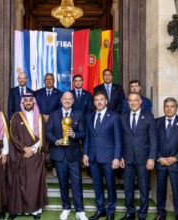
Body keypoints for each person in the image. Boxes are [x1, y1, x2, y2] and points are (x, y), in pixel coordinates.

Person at [46, 91, 88, 220]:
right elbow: (48, 132)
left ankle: (80, 210)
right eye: (65, 98)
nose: (67, 101)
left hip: (73, 155)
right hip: (59, 155)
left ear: (73, 101)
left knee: (77, 182)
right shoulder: (54, 114)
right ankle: (66, 208)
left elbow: (83, 133)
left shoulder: (79, 114)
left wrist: (74, 134)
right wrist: (56, 141)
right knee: (63, 183)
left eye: (70, 99)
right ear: (61, 100)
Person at [7, 93, 48, 220]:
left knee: (34, 184)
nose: (28, 103)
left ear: (34, 102)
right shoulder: (16, 117)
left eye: (30, 100)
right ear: (22, 103)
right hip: (20, 156)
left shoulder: (40, 118)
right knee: (18, 184)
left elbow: (43, 137)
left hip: (35, 157)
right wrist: (24, 148)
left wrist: (33, 149)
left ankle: (35, 211)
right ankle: (17, 210)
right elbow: (13, 135)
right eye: (26, 101)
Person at [83, 91, 122, 220]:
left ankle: (110, 212)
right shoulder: (90, 116)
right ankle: (100, 210)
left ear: (106, 101)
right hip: (93, 157)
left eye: (101, 99)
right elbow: (88, 137)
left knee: (110, 185)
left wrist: (116, 157)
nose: (99, 102)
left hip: (108, 158)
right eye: (96, 100)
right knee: (97, 185)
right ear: (94, 102)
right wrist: (85, 154)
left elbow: (118, 139)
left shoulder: (114, 117)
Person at [119, 92, 157, 220]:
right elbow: (120, 139)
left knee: (143, 188)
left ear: (140, 102)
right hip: (127, 158)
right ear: (127, 103)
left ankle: (142, 214)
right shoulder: (122, 117)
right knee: (128, 188)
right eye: (130, 100)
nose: (133, 103)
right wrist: (121, 156)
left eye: (135, 100)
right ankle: (130, 212)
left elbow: (153, 139)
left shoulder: (148, 116)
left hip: (143, 158)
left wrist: (151, 158)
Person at [153, 97, 178, 220]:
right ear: (163, 108)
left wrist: (175, 158)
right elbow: (152, 142)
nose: (169, 109)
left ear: (176, 108)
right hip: (161, 163)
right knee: (160, 191)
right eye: (167, 106)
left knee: (177, 191)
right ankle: (161, 214)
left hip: (177, 164)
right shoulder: (156, 122)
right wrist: (159, 158)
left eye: (172, 106)